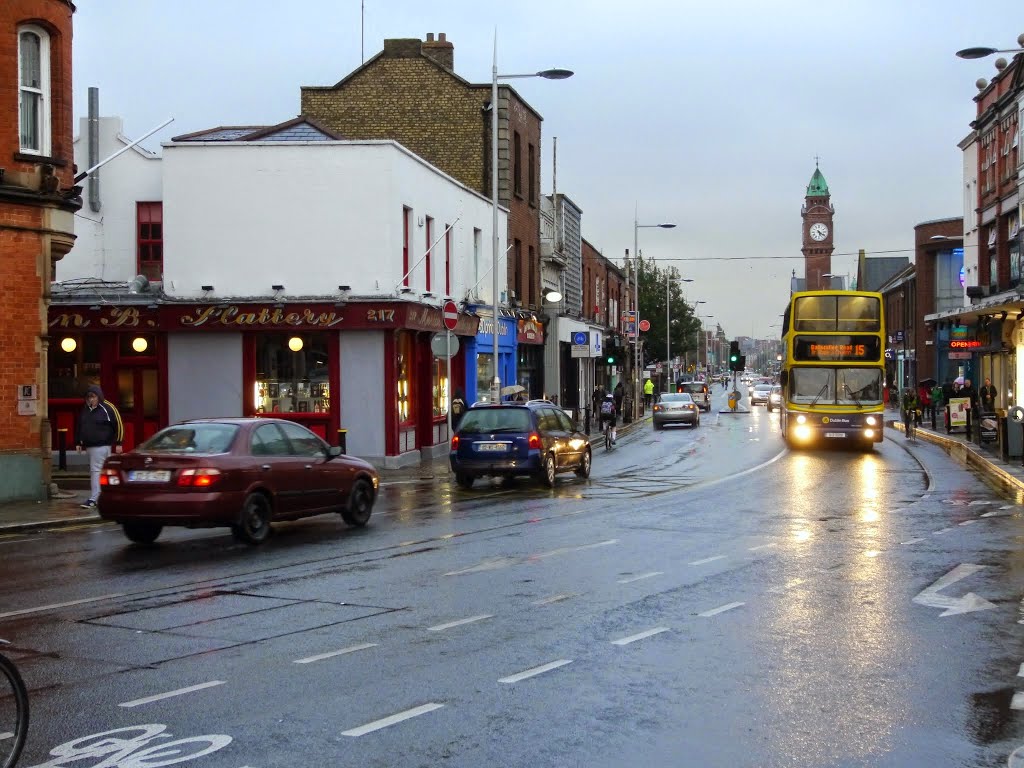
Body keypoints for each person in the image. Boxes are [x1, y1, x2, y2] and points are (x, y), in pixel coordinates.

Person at [75, 385, 124, 509]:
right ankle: (108, 496)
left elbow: (118, 424)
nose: (91, 400)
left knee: (96, 471)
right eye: (89, 397)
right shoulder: (86, 409)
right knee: (102, 471)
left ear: (99, 396)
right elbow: (80, 425)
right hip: (90, 446)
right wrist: (78, 442)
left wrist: (119, 443)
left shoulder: (108, 407)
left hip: (102, 445)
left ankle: (94, 498)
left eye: (93, 397)